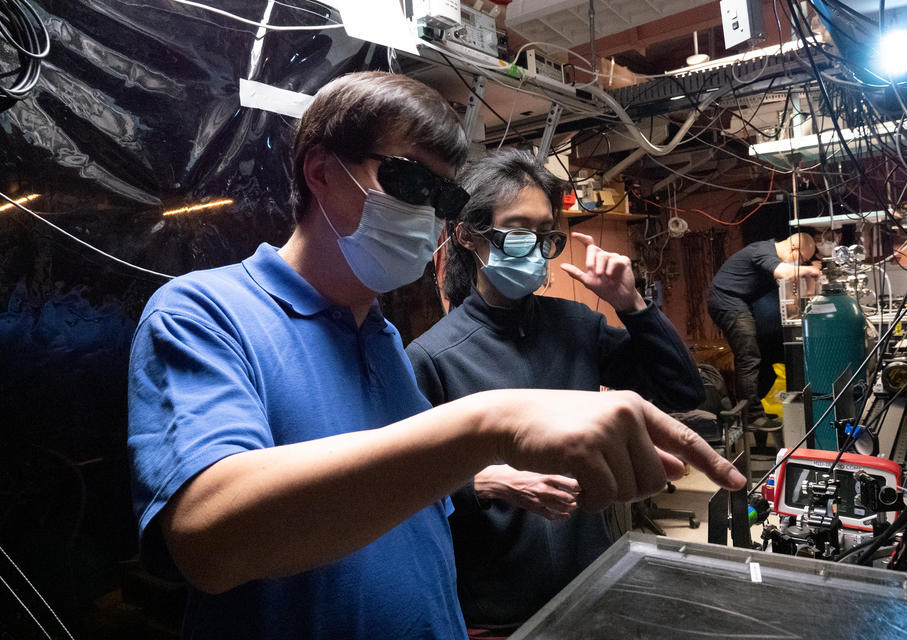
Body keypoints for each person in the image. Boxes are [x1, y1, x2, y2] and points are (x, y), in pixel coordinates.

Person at [127, 71, 745, 639]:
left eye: (442, 199)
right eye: (409, 182)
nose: (426, 215)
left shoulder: (383, 342)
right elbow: (209, 541)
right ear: (320, 172)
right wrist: (490, 426)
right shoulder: (205, 313)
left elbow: (413, 521)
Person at [405, 148, 705, 636]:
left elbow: (680, 389)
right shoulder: (433, 357)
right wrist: (487, 483)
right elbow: (407, 487)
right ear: (467, 235)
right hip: (494, 609)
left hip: (592, 582)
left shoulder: (576, 325)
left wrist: (631, 303)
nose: (536, 244)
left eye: (545, 233)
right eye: (518, 228)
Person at [707, 233, 821, 427]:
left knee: (764, 357)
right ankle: (751, 417)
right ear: (794, 248)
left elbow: (800, 299)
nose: (800, 263)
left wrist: (810, 278)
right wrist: (810, 269)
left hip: (741, 302)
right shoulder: (763, 251)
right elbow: (785, 273)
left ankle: (751, 410)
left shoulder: (773, 260)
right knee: (748, 357)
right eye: (802, 258)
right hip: (727, 301)